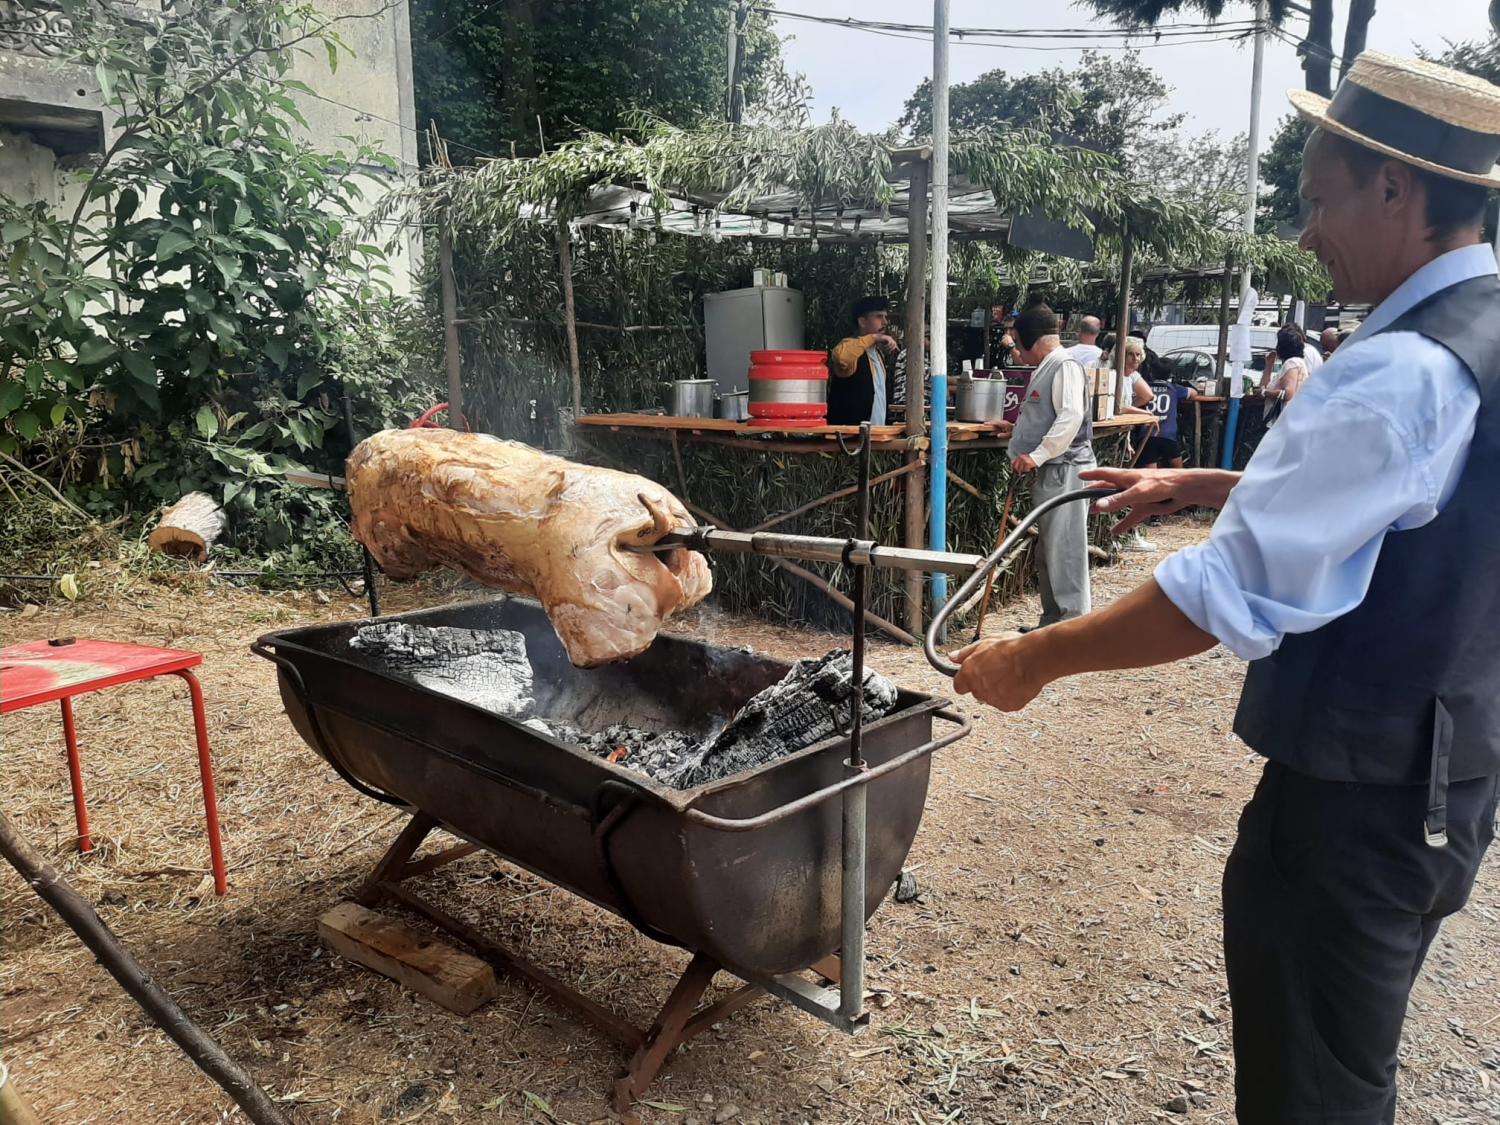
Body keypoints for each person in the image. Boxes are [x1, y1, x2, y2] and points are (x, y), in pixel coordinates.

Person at [949, 50, 1500, 1125]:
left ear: (1397, 190)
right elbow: (1419, 500)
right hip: (1446, 786)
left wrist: (1033, 657)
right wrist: (1213, 480)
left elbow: (1219, 596)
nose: (1303, 233)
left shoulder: (1398, 371)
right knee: (1344, 1064)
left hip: (1353, 810)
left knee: (1313, 1096)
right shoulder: (1474, 341)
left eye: (1317, 200)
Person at [1007, 303, 1095, 627]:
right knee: (1050, 550)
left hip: (1065, 469)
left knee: (1066, 549)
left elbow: (1070, 417)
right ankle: (1053, 622)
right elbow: (1048, 415)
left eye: (1018, 342)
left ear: (1031, 338)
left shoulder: (1064, 365)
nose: (1018, 351)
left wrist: (1037, 455)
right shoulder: (1048, 366)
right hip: (1052, 470)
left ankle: (1072, 626)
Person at [828, 296, 898, 425]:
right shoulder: (850, 347)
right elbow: (842, 357)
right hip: (849, 438)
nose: (884, 322)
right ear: (862, 322)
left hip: (874, 435)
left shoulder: (877, 353)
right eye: (878, 317)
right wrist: (875, 337)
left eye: (885, 317)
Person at [1259, 323, 1316, 422]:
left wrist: (1265, 393)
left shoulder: (1292, 363)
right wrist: (1269, 365)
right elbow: (1264, 385)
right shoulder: (1295, 363)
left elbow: (1288, 393)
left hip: (1284, 421)